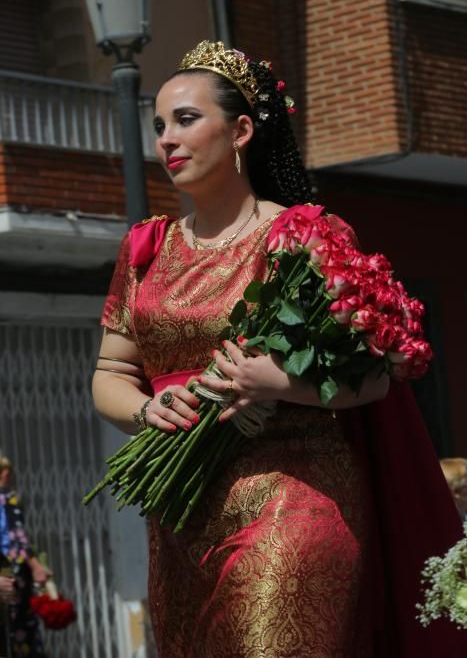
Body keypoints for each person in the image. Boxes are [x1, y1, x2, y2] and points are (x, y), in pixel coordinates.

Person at [92, 41, 466, 657]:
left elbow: (375, 380)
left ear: (241, 130)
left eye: (186, 120)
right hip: (181, 510)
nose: (166, 139)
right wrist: (143, 411)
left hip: (295, 498)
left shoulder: (305, 236)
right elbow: (111, 371)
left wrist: (278, 382)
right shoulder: (145, 248)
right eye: (158, 125)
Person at [0, 456, 50, 657]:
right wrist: (36, 564)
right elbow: (17, 534)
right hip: (13, 569)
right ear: (5, 473)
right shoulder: (8, 497)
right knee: (20, 624)